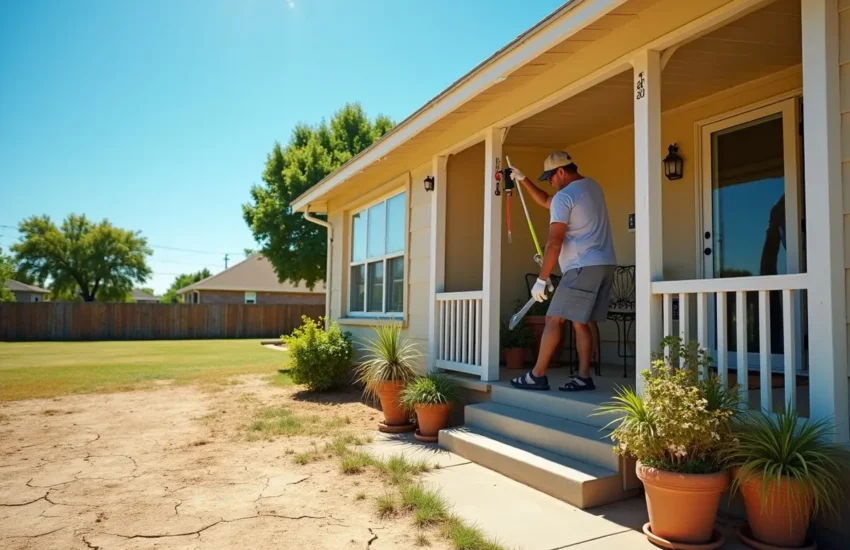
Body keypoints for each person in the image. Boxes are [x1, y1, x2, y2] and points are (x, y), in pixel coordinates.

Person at [508, 151, 616, 392]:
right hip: (605, 263)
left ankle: (537, 375)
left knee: (553, 318)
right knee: (582, 321)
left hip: (581, 266)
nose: (551, 183)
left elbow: (554, 242)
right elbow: (548, 200)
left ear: (561, 172)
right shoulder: (591, 187)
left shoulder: (564, 197)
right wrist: (523, 179)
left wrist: (541, 279)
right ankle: (584, 377)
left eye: (551, 178)